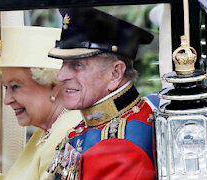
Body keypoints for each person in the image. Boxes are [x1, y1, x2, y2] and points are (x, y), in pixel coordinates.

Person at [47, 7, 156, 180]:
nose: (60, 76)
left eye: (77, 65)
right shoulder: (100, 126)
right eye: (63, 64)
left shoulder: (119, 147)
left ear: (115, 74)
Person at [0, 26, 82, 180]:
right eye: (5, 87)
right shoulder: (48, 131)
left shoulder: (68, 134)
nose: (7, 99)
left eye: (15, 86)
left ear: (54, 85)